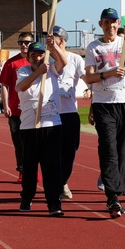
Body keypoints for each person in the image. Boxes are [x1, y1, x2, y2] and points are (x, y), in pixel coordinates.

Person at [84, 7, 125, 218]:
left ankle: (116, 187)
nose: (110, 26)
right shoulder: (93, 47)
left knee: (124, 150)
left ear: (118, 24)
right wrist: (108, 73)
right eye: (106, 22)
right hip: (104, 104)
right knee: (108, 149)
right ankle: (112, 197)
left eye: (113, 22)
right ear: (100, 24)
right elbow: (89, 77)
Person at [16, 38, 67, 215]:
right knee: (29, 166)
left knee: (52, 167)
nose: (37, 58)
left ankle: (54, 203)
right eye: (34, 55)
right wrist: (38, 73)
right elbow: (21, 87)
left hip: (51, 125)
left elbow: (63, 61)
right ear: (28, 57)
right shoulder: (23, 71)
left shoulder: (52, 68)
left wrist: (54, 47)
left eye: (40, 54)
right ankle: (27, 197)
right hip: (29, 127)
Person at [51, 25, 85, 200]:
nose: (49, 40)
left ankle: (62, 181)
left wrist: (91, 89)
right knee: (53, 152)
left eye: (53, 37)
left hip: (69, 112)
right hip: (50, 114)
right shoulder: (45, 58)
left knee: (70, 150)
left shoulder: (75, 59)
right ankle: (58, 184)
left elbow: (86, 77)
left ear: (62, 40)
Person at [0, 31, 33, 183]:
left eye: (27, 42)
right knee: (19, 143)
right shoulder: (11, 63)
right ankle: (22, 170)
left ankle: (33, 168)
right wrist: (5, 105)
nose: (23, 45)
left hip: (33, 109)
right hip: (16, 110)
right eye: (21, 43)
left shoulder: (38, 62)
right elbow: (4, 85)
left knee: (34, 142)